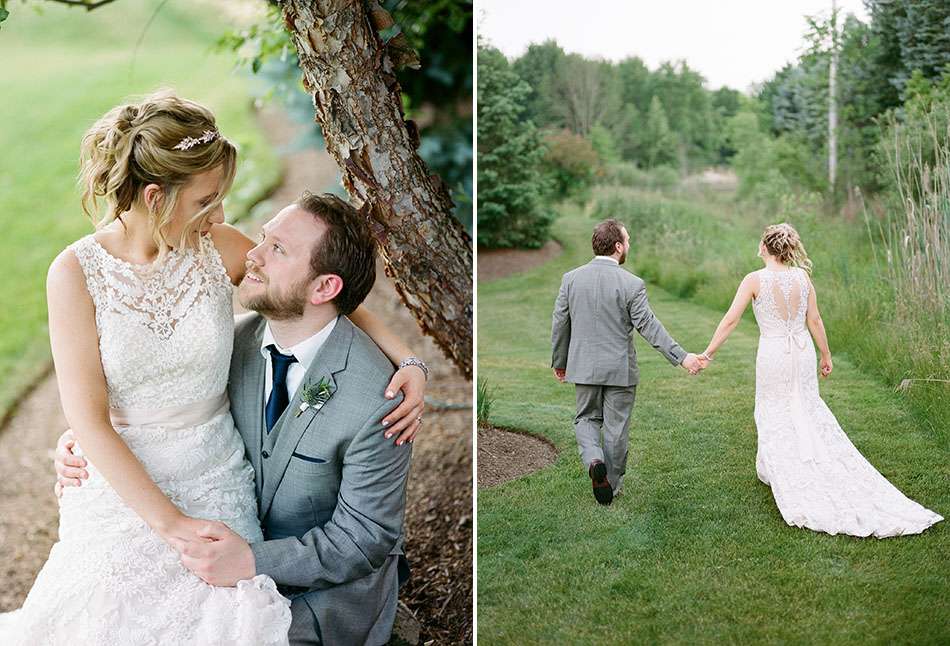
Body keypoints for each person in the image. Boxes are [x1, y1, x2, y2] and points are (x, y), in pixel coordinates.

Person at [1, 91, 425, 645]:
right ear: (156, 197)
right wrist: (171, 525)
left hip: (214, 475)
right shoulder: (75, 274)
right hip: (121, 485)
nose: (222, 215)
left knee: (225, 621)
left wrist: (409, 358)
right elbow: (89, 418)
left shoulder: (213, 247)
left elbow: (320, 289)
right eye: (207, 200)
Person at [697, 222, 943, 538]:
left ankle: (786, 470)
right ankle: (773, 465)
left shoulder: (754, 280)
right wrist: (825, 355)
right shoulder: (802, 277)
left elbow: (731, 319)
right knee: (804, 405)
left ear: (765, 247)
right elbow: (814, 319)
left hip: (774, 352)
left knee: (774, 408)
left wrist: (709, 353)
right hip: (802, 352)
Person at [551, 218, 704, 506]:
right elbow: (648, 326)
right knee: (616, 427)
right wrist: (682, 357)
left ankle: (594, 460)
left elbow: (560, 322)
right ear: (618, 246)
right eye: (628, 240)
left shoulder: (571, 279)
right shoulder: (632, 283)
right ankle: (612, 484)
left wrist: (560, 360)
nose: (629, 245)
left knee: (585, 418)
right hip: (620, 369)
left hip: (583, 366)